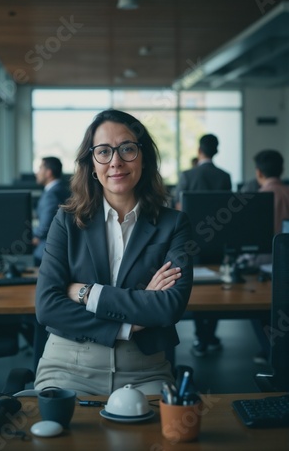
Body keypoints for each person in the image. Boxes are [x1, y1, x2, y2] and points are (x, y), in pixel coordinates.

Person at [34, 109, 193, 396]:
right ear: (91, 164)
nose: (116, 161)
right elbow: (47, 307)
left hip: (146, 370)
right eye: (104, 152)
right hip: (69, 366)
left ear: (144, 158)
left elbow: (169, 307)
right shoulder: (67, 221)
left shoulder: (174, 223)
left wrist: (86, 293)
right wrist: (130, 323)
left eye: (128, 149)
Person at [175, 134, 232, 357]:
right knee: (218, 285)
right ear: (216, 151)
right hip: (218, 239)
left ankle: (201, 336)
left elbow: (178, 206)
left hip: (192, 238)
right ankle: (210, 334)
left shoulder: (188, 175)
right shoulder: (224, 176)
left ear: (199, 150)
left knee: (196, 286)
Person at [250, 150, 289, 364]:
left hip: (263, 266)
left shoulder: (258, 198)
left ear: (259, 172)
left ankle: (270, 352)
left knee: (257, 308)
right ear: (281, 170)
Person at [32, 157, 70, 266]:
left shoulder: (51, 195)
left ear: (49, 173)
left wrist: (34, 236)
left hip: (47, 250)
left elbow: (46, 226)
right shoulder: (63, 189)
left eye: (40, 168)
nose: (37, 173)